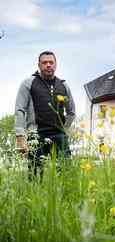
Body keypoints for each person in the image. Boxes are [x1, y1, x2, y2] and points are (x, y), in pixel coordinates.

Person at [15, 51, 76, 179]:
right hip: (36, 134)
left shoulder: (63, 85)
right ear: (39, 65)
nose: (48, 65)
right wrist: (20, 136)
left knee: (66, 171)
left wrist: (64, 129)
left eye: (51, 62)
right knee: (36, 174)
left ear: (56, 65)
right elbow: (20, 110)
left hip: (59, 134)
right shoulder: (28, 83)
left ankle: (64, 197)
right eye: (44, 62)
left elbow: (71, 112)